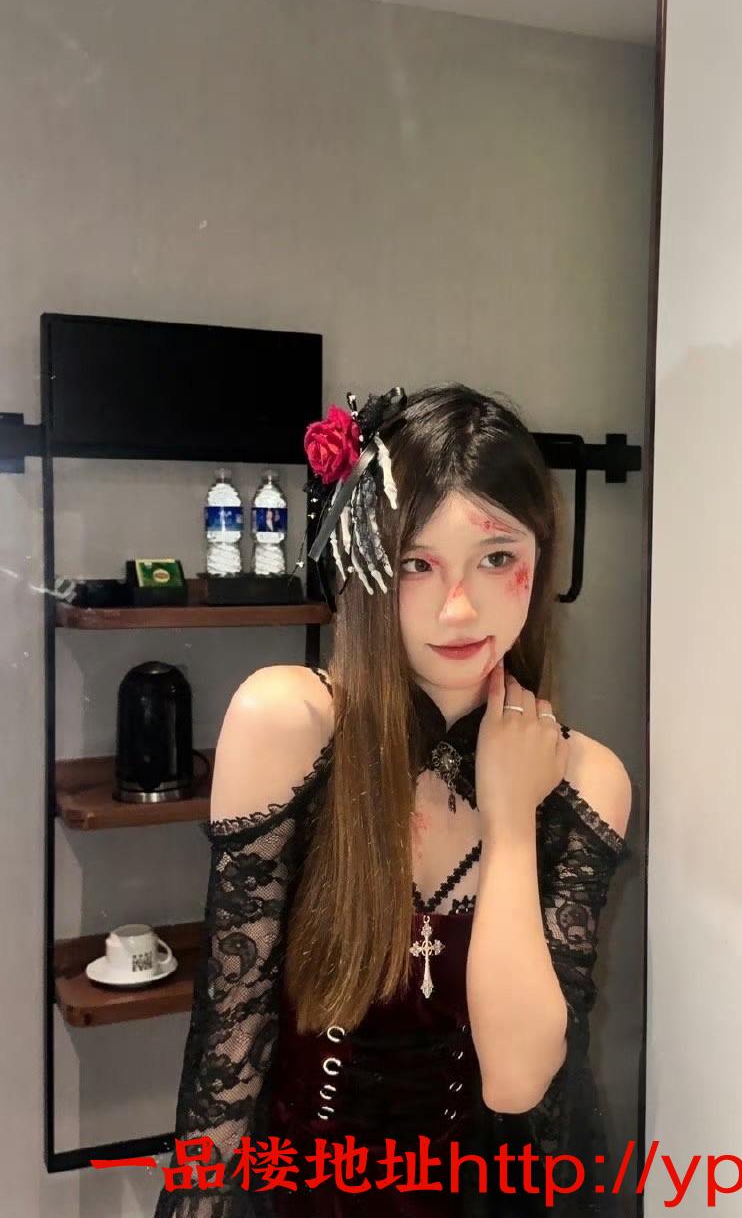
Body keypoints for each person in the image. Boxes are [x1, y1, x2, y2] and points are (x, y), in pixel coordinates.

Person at [154, 384, 632, 1218]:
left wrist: (511, 819)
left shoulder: (586, 779)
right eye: (417, 563)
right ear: (368, 566)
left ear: (540, 559)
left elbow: (518, 1083)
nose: (459, 607)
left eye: (496, 558)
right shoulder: (290, 722)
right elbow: (228, 1054)